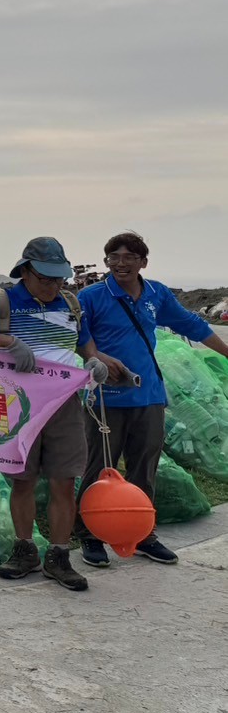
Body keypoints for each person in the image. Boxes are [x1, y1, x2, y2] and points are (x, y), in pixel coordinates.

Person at [0, 237, 118, 591]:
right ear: (25, 271)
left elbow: (84, 344)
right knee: (23, 480)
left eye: (58, 278)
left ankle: (59, 556)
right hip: (17, 407)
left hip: (65, 405)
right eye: (45, 278)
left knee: (63, 481)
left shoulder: (70, 304)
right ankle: (25, 549)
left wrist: (93, 362)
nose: (53, 285)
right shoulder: (3, 301)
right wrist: (8, 342)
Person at [73, 232, 228, 568]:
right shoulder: (92, 296)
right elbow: (77, 336)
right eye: (114, 256)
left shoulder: (156, 293)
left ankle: (141, 533)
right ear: (106, 263)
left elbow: (192, 324)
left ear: (143, 262)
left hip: (148, 396)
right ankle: (90, 535)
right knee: (99, 468)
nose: (121, 263)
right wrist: (97, 355)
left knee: (145, 469)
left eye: (129, 256)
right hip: (105, 398)